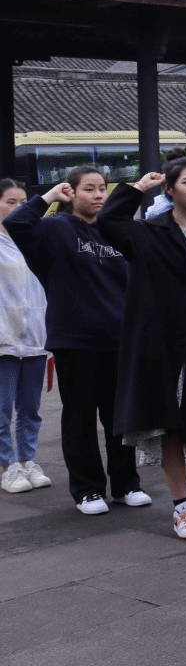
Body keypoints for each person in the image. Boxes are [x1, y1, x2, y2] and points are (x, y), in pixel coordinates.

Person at [102, 159, 186, 539]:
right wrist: (136, 188)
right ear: (169, 189)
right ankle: (182, 507)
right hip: (163, 345)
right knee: (171, 426)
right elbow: (109, 221)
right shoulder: (150, 232)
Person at [3, 166, 150, 514]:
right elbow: (17, 223)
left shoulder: (114, 231)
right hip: (75, 340)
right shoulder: (55, 229)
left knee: (120, 418)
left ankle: (126, 485)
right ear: (72, 193)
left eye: (102, 188)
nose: (98, 195)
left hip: (118, 339)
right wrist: (50, 196)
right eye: (89, 189)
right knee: (79, 419)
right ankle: (87, 490)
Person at [0, 179, 50, 495]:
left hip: (35, 337)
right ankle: (8, 466)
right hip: (3, 338)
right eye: (11, 202)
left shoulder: (35, 239)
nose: (19, 207)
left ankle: (28, 460)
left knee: (30, 408)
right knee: (2, 409)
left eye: (23, 202)